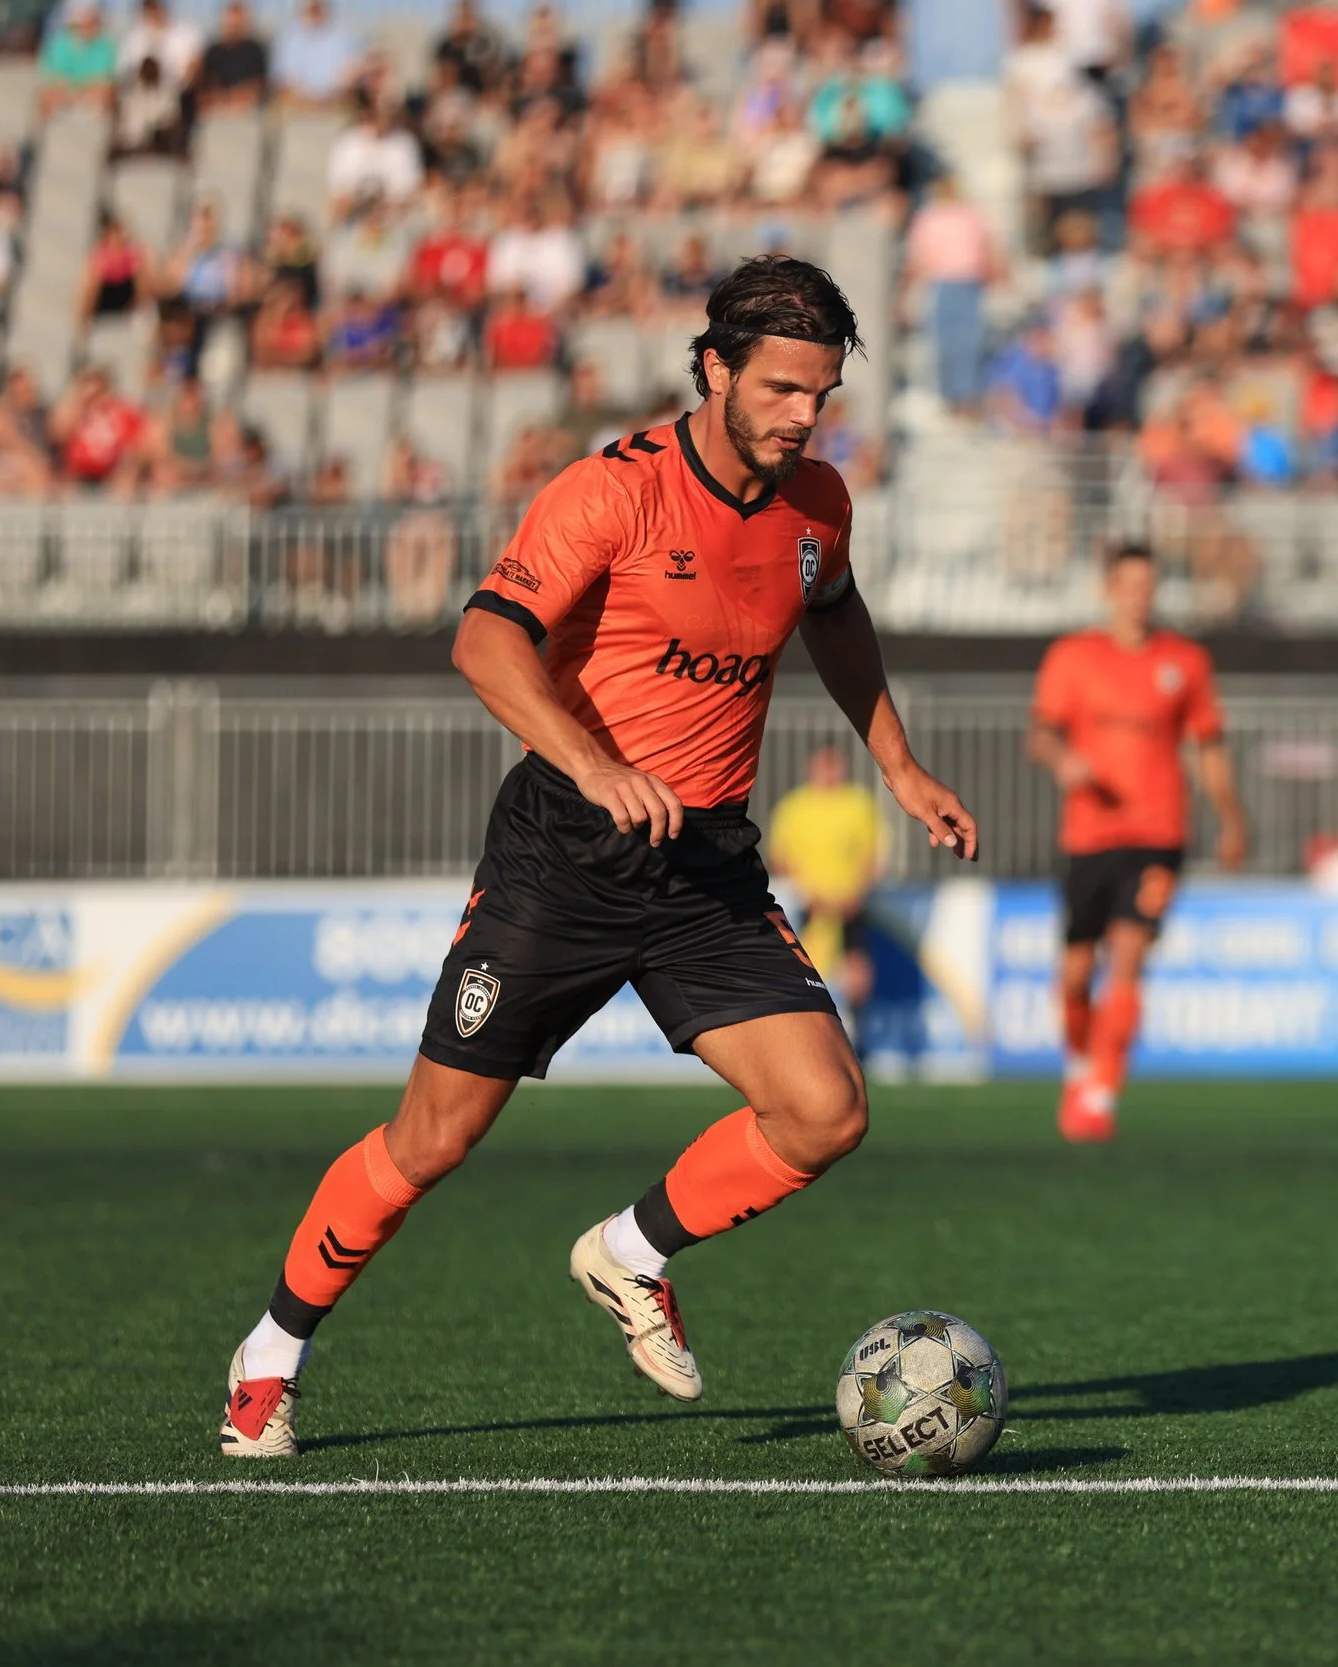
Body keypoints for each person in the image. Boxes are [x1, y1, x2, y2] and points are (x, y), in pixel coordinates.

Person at [218, 255, 980, 1459]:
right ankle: (270, 1353)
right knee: (432, 1139)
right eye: (780, 387)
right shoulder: (609, 493)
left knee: (826, 1110)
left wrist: (898, 763)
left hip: (707, 864)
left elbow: (835, 611)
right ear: (714, 368)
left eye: (819, 395)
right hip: (562, 858)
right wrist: (591, 762)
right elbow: (482, 641)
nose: (800, 415)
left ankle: (629, 1251)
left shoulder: (817, 504)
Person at [1028, 544, 1248, 1143]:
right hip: (1089, 834)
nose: (1139, 595)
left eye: (1148, 584)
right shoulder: (1074, 656)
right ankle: (1080, 1067)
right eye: (1128, 584)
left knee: (1128, 955)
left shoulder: (1185, 660)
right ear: (1108, 589)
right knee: (1076, 972)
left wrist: (1231, 818)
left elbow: (1208, 748)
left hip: (1158, 833)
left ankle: (1101, 1093)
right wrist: (1064, 761)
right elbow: (1040, 735)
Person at [765, 742, 886, 1021]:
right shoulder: (795, 806)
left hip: (849, 903)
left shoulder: (858, 803)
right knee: (804, 971)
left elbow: (872, 854)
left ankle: (855, 1033)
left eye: (835, 766)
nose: (830, 773)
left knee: (857, 976)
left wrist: (856, 893)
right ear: (813, 768)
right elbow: (780, 857)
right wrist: (805, 892)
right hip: (809, 905)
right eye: (825, 766)